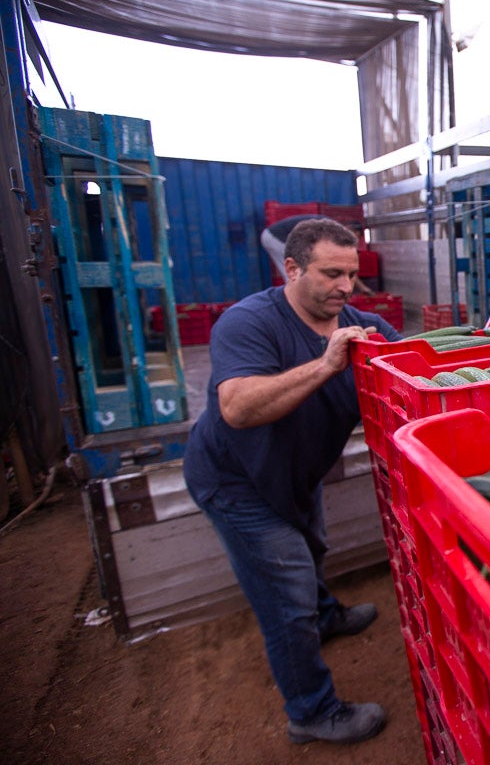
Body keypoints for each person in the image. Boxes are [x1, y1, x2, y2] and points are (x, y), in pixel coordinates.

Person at [184, 217, 403, 745]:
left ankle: (326, 618)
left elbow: (416, 367)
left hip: (296, 473)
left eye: (351, 274)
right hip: (236, 483)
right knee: (288, 600)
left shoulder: (364, 325)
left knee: (313, 547)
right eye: (331, 274)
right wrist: (326, 365)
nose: (346, 287)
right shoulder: (248, 322)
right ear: (292, 268)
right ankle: (311, 712)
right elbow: (237, 408)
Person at [261, 213, 376, 295]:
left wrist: (362, 287)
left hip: (276, 236)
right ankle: (293, 305)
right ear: (351, 230)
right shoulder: (331, 231)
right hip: (275, 238)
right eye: (355, 236)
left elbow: (345, 268)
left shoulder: (331, 230)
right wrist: (362, 288)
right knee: (294, 273)